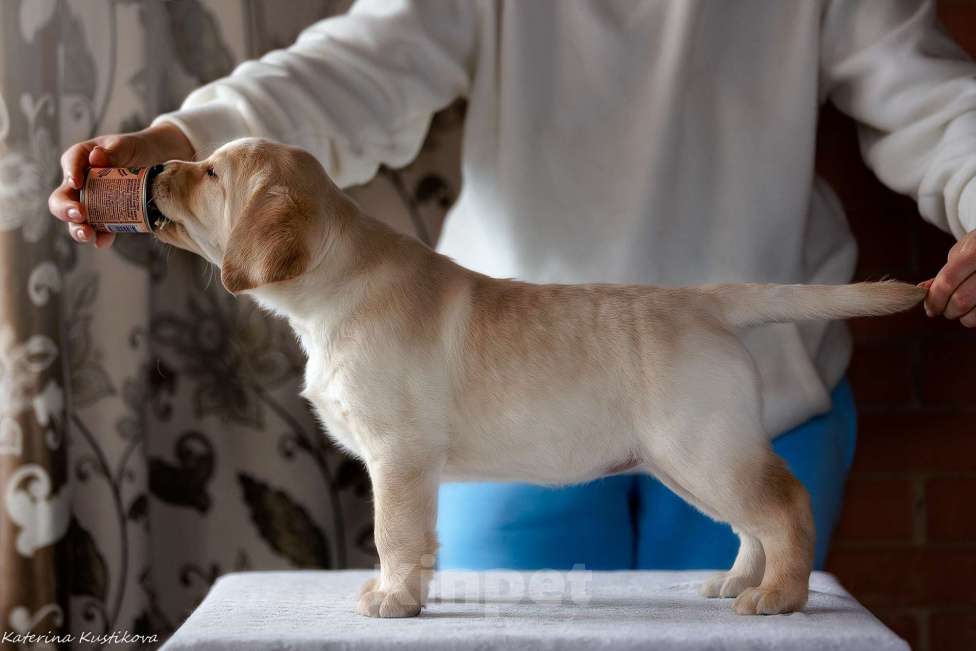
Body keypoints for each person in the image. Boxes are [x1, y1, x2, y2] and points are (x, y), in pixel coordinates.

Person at [49, 1, 976, 572]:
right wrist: (188, 142)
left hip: (763, 376)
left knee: (763, 565)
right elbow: (359, 65)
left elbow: (930, 97)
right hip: (494, 396)